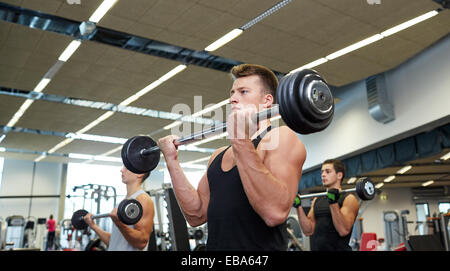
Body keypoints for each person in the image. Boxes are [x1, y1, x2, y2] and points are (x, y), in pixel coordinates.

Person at [158, 64, 306, 250]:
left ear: (267, 101)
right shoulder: (218, 155)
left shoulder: (281, 138)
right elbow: (196, 216)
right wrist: (172, 162)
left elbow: (274, 212)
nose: (232, 99)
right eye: (232, 92)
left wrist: (239, 139)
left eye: (243, 92)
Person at [293, 159, 360, 251]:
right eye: (322, 172)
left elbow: (343, 230)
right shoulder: (317, 200)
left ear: (339, 175)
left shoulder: (349, 199)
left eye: (328, 172)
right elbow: (308, 231)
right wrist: (298, 206)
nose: (323, 175)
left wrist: (333, 202)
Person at [83, 166, 154, 251]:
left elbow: (141, 243)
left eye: (127, 168)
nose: (122, 170)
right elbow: (114, 242)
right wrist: (93, 226)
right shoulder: (122, 202)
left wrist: (119, 223)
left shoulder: (143, 199)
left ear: (139, 174)